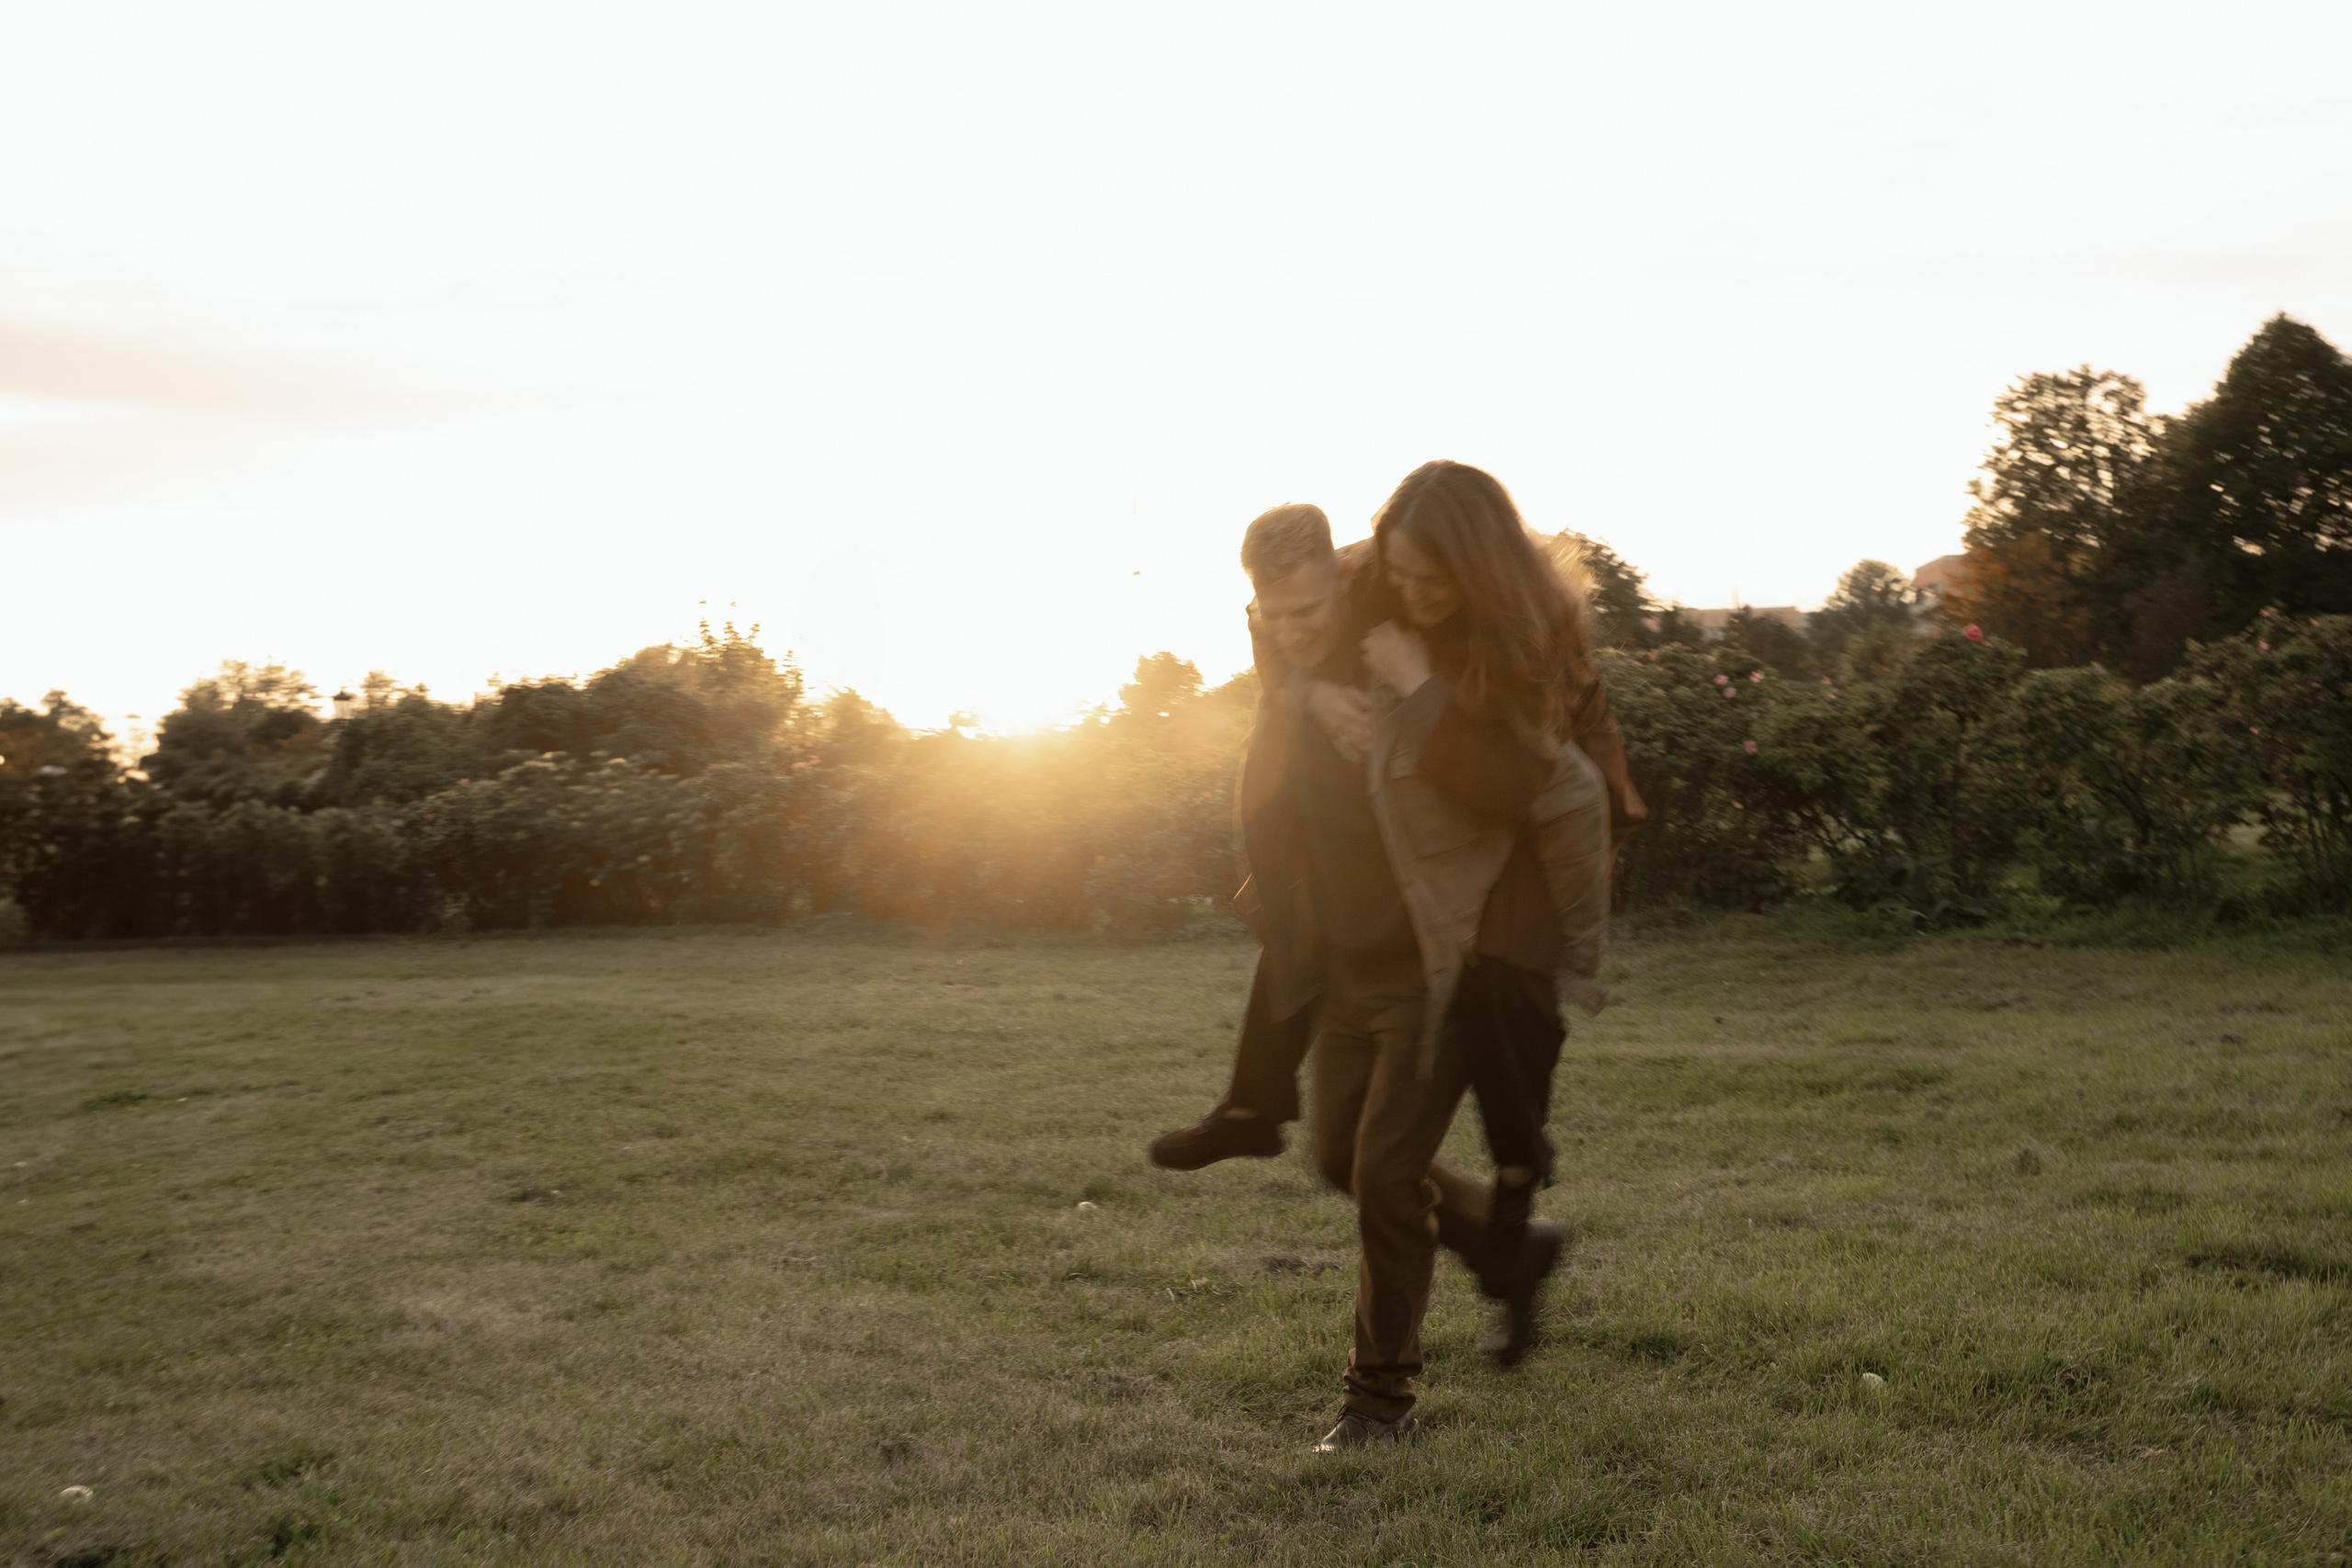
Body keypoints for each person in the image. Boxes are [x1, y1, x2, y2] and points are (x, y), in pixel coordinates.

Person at [1150, 468, 1644, 1366]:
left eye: (1429, 582)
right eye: (1399, 575)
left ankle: (1383, 1391)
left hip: (1478, 897)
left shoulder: (1500, 638)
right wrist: (1306, 692)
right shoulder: (1349, 583)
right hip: (1356, 944)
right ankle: (1513, 1243)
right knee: (1342, 1157)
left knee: (1410, 1144)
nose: (1408, 595)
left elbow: (1525, 784)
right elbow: (1272, 621)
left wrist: (1415, 696)